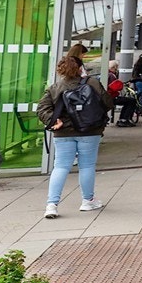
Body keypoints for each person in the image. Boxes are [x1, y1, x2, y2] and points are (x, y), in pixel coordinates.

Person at [36, 54, 109, 218]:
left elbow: (41, 109)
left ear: (60, 70)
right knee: (87, 165)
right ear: (80, 68)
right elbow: (108, 102)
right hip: (90, 131)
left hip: (63, 133)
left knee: (60, 166)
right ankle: (87, 200)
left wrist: (55, 121)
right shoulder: (92, 83)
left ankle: (52, 205)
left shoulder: (55, 88)